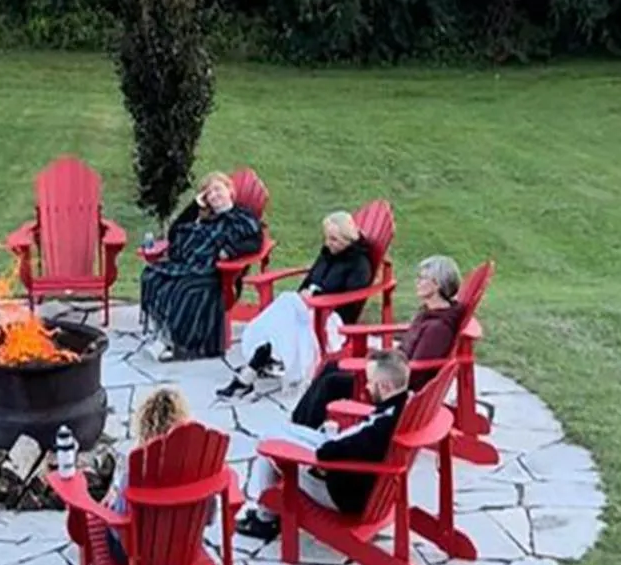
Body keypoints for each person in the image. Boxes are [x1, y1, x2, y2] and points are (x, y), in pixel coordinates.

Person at [236, 349, 412, 541]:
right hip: (356, 477)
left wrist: (327, 446)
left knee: (268, 445)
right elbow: (356, 441)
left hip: (342, 493)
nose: (367, 387)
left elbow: (327, 454)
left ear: (386, 386)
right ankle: (266, 512)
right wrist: (333, 435)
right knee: (274, 431)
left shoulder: (381, 428)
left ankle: (265, 519)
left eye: (371, 382)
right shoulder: (401, 408)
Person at [290, 255, 463, 428]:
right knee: (331, 366)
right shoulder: (429, 312)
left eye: (423, 278)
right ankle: (297, 421)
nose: (417, 281)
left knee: (331, 383)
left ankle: (304, 430)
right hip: (392, 371)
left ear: (438, 284)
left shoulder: (437, 329)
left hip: (393, 387)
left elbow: (414, 373)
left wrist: (375, 369)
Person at [218, 210, 376, 398]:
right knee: (285, 309)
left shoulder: (359, 263)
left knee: (285, 314)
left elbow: (352, 299)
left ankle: (249, 373)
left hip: (331, 318)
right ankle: (254, 367)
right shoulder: (328, 253)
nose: (328, 243)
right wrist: (305, 294)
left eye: (334, 239)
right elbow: (310, 279)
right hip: (309, 307)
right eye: (327, 238)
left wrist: (316, 296)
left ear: (348, 238)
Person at [138, 171, 265, 360]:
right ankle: (163, 334)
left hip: (216, 274)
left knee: (184, 288)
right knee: (152, 276)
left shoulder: (242, 217)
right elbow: (175, 232)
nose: (214, 195)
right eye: (208, 194)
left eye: (217, 189)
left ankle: (169, 341)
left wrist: (230, 251)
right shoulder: (207, 219)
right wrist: (195, 205)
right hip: (192, 265)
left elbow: (255, 242)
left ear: (230, 190)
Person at [103, 385, 215, 565]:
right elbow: (209, 517)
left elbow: (119, 525)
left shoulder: (137, 469)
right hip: (185, 550)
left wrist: (109, 508)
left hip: (137, 558)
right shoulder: (200, 465)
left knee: (109, 514)